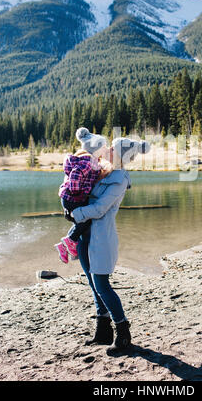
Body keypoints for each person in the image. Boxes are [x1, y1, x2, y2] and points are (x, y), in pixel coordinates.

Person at [72, 137, 150, 354]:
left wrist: (75, 213)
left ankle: (123, 334)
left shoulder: (119, 179)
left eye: (113, 148)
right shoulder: (102, 171)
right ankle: (103, 331)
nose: (107, 150)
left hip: (101, 239)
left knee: (102, 285)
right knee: (93, 284)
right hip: (86, 237)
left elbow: (100, 208)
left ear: (122, 155)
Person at [55, 127, 109, 264]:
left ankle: (65, 247)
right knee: (86, 220)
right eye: (103, 147)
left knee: (82, 223)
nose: (105, 149)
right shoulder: (87, 161)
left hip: (69, 198)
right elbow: (76, 175)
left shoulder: (89, 161)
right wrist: (76, 192)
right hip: (73, 198)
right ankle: (69, 242)